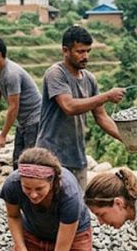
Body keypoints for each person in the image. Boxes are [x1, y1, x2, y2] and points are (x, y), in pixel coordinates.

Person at [36, 25, 125, 189]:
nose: (85, 56)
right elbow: (68, 106)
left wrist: (125, 139)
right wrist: (106, 96)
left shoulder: (89, 79)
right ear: (65, 50)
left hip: (76, 156)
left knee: (75, 206)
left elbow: (101, 116)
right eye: (80, 51)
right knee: (50, 205)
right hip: (50, 156)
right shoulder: (56, 74)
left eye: (88, 51)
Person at [0, 36, 42, 169]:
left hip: (35, 120)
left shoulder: (11, 74)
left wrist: (3, 135)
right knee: (18, 162)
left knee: (30, 163)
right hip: (23, 121)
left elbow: (13, 107)